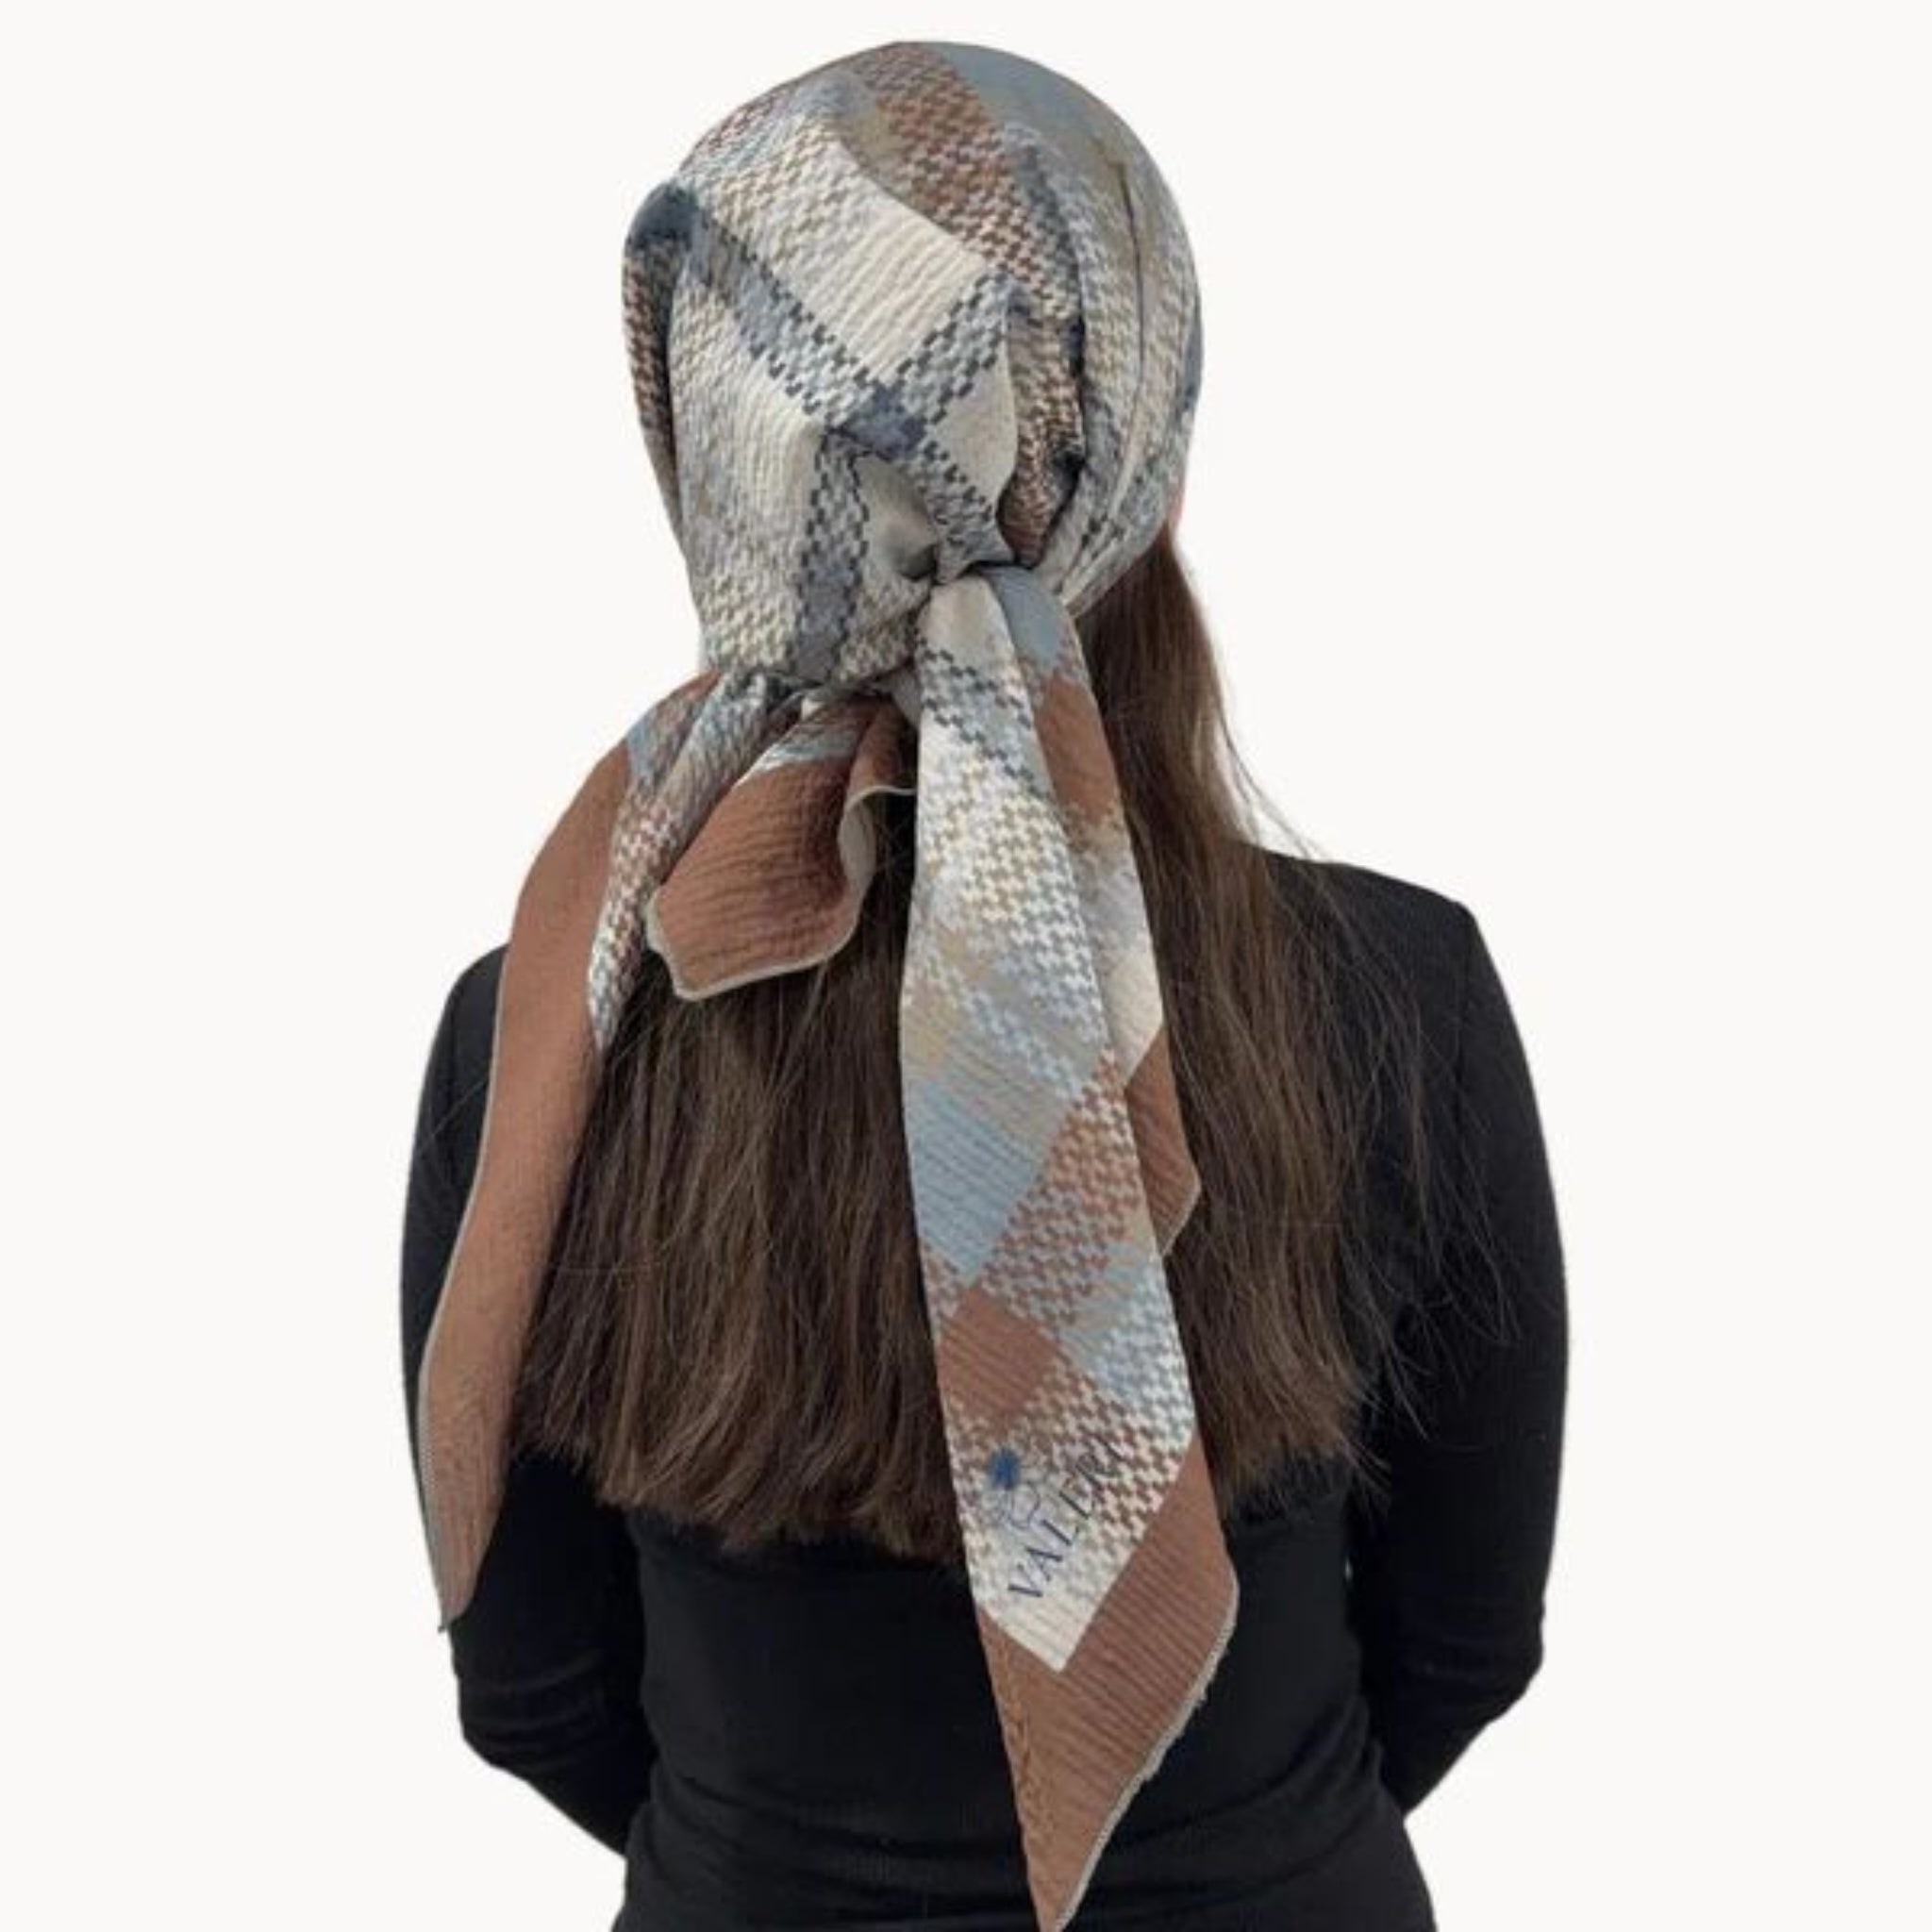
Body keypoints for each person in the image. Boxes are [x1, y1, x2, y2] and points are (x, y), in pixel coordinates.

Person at [399, 39, 1567, 1932]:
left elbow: (531, 1688)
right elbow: (1465, 1636)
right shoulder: (1398, 994)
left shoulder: (539, 1029)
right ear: (1136, 451)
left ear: (724, 454)